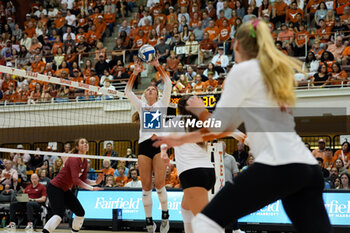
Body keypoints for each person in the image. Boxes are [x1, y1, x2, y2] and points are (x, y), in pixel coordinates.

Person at [153, 19, 332, 233]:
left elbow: (219, 126)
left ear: (236, 45)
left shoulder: (242, 70)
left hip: (277, 164)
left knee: (205, 222)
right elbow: (227, 128)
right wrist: (181, 139)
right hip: (307, 168)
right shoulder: (274, 71)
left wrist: (200, 109)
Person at [125, 57, 172, 233]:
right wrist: (134, 73)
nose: (151, 90)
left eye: (154, 89)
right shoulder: (142, 106)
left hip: (159, 145)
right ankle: (149, 222)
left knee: (159, 183)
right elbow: (128, 90)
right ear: (145, 94)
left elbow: (168, 83)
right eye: (149, 89)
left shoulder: (162, 104)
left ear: (157, 94)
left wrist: (157, 66)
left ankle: (165, 216)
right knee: (146, 186)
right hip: (144, 146)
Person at [160, 96, 216, 233]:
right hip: (208, 173)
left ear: (179, 109)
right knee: (185, 209)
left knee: (206, 223)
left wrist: (163, 152)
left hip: (192, 174)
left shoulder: (175, 121)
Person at [41, 138, 103, 233]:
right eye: (82, 143)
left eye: (86, 142)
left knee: (80, 212)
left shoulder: (85, 161)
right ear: (77, 147)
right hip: (54, 187)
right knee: (58, 215)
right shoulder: (74, 158)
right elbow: (76, 180)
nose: (85, 144)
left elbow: (83, 179)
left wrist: (96, 182)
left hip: (65, 189)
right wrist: (91, 188)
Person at [221, 141, 245, 233]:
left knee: (230, 207)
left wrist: (235, 186)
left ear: (225, 147)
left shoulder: (231, 158)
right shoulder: (213, 157)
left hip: (227, 184)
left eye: (221, 146)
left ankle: (236, 228)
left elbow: (235, 172)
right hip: (216, 185)